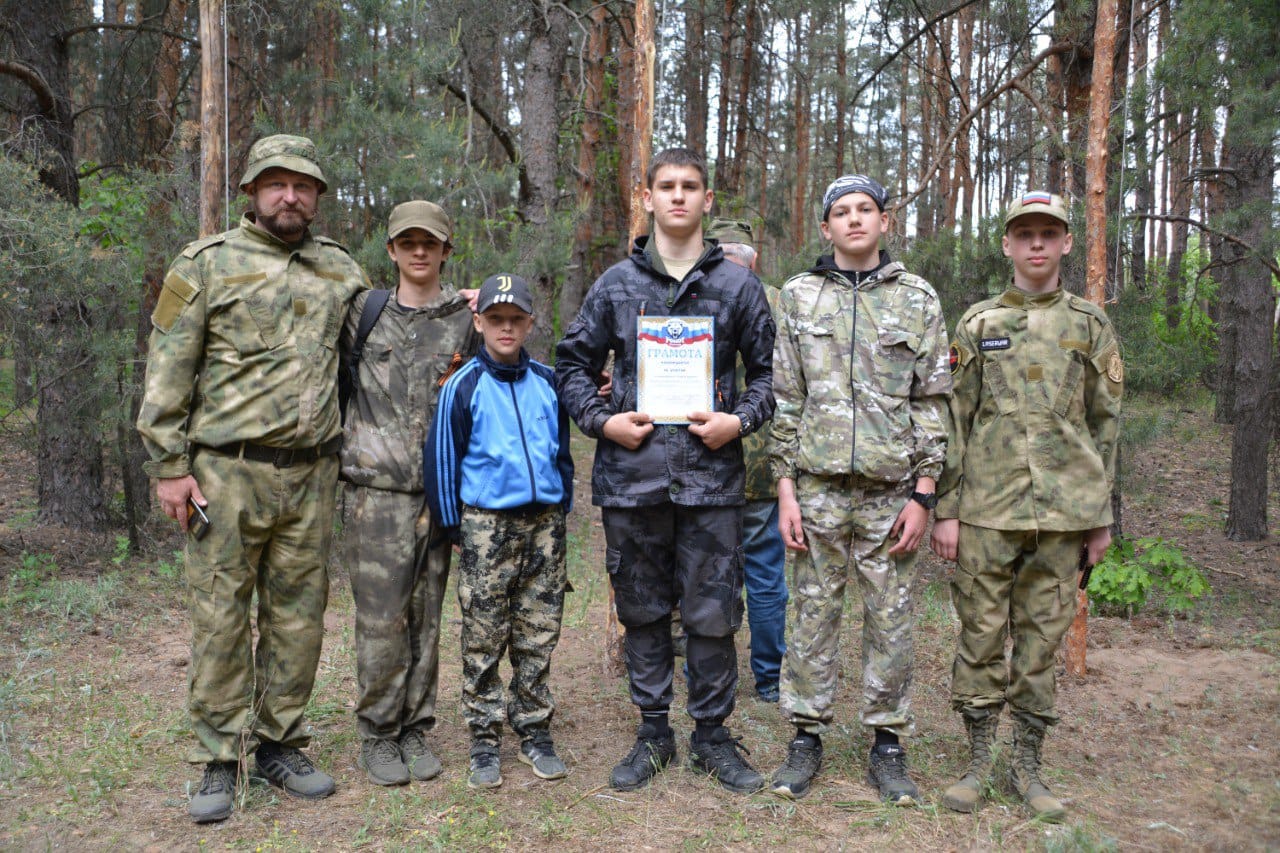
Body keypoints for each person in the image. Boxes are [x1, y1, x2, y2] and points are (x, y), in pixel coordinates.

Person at [136, 134, 369, 823]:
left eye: (302, 184)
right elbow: (169, 365)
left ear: (318, 195)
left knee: (299, 618)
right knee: (220, 616)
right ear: (251, 190)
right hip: (224, 472)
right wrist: (169, 466)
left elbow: (381, 345)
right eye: (275, 183)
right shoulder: (205, 263)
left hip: (311, 474)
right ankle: (218, 754)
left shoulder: (341, 271)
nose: (289, 195)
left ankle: (280, 742)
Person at [555, 147, 776, 795]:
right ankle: (654, 730)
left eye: (691, 186)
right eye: (667, 186)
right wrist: (603, 422)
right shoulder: (616, 285)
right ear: (645, 197)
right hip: (634, 477)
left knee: (712, 613)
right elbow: (572, 364)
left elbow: (768, 377)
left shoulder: (738, 286)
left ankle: (712, 734)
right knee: (644, 608)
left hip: (711, 481)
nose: (679, 196)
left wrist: (738, 420)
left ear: (708, 200)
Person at [930, 191, 1122, 821]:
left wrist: (1100, 515)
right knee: (981, 636)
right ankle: (980, 758)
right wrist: (948, 510)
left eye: (1049, 233)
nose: (1037, 244)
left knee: (1040, 642)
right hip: (987, 508)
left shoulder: (1090, 325)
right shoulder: (978, 324)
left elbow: (1106, 424)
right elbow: (955, 420)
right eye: (1025, 234)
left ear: (1066, 242)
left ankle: (1028, 766)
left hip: (1065, 516)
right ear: (1008, 245)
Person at [768, 174, 951, 804]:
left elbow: (931, 403)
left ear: (883, 221)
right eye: (840, 212)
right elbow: (786, 398)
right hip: (816, 488)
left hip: (890, 492)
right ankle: (806, 734)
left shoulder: (918, 299)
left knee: (891, 618)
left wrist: (924, 494)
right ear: (825, 227)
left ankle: (888, 744)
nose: (853, 220)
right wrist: (785, 489)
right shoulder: (797, 297)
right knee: (812, 614)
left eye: (864, 210)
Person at [339, 200, 478, 786]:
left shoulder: (468, 319)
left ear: (447, 251)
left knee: (426, 614)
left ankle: (416, 724)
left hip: (440, 494)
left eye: (431, 242)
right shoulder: (361, 314)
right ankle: (378, 730)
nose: (419, 251)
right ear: (391, 250)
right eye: (407, 242)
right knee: (381, 618)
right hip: (377, 494)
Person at [425, 273, 574, 790]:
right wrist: (453, 524)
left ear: (530, 322)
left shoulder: (549, 382)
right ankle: (484, 737)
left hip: (545, 526)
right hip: (486, 525)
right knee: (484, 633)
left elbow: (561, 452)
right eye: (495, 319)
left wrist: (563, 506)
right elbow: (444, 458)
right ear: (479, 321)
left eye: (516, 319)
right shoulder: (463, 384)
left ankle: (534, 728)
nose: (506, 328)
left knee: (538, 630)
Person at [705, 218, 787, 704]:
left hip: (706, 458)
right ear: (754, 258)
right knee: (765, 571)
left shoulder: (692, 291)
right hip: (763, 458)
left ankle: (709, 675)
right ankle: (770, 678)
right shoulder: (781, 300)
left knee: (708, 571)